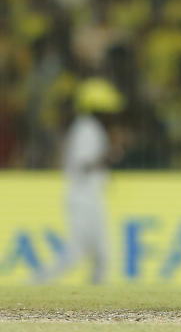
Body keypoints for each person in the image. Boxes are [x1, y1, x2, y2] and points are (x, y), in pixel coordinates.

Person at [39, 78, 124, 284]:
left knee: (101, 256)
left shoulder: (88, 127)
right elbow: (83, 165)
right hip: (84, 200)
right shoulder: (88, 129)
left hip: (89, 198)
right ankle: (35, 285)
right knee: (76, 255)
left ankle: (96, 304)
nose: (111, 114)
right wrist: (110, 155)